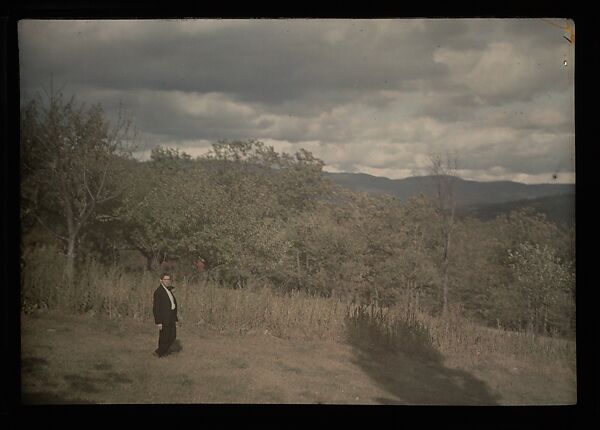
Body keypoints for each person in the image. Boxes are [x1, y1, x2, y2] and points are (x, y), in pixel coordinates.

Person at [153, 272, 178, 358]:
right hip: (164, 319)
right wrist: (158, 322)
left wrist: (172, 288)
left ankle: (160, 351)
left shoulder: (167, 289)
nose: (167, 281)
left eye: (168, 279)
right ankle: (160, 354)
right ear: (161, 280)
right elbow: (156, 308)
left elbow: (169, 289)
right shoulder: (158, 292)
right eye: (165, 279)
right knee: (164, 337)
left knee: (172, 336)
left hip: (171, 317)